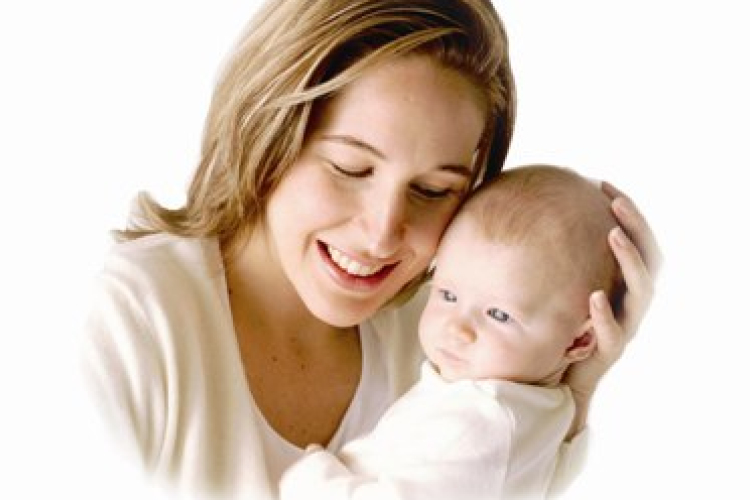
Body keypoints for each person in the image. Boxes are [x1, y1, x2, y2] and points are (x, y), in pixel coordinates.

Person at [80, 1, 661, 499]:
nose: (383, 234)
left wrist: (567, 386)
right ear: (265, 137)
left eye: (432, 191)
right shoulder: (124, 324)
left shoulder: (453, 341)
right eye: (350, 168)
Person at [278, 164, 625, 500]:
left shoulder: (478, 423)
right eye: (447, 294)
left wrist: (311, 478)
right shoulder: (539, 410)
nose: (457, 328)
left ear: (580, 339)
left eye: (498, 315)